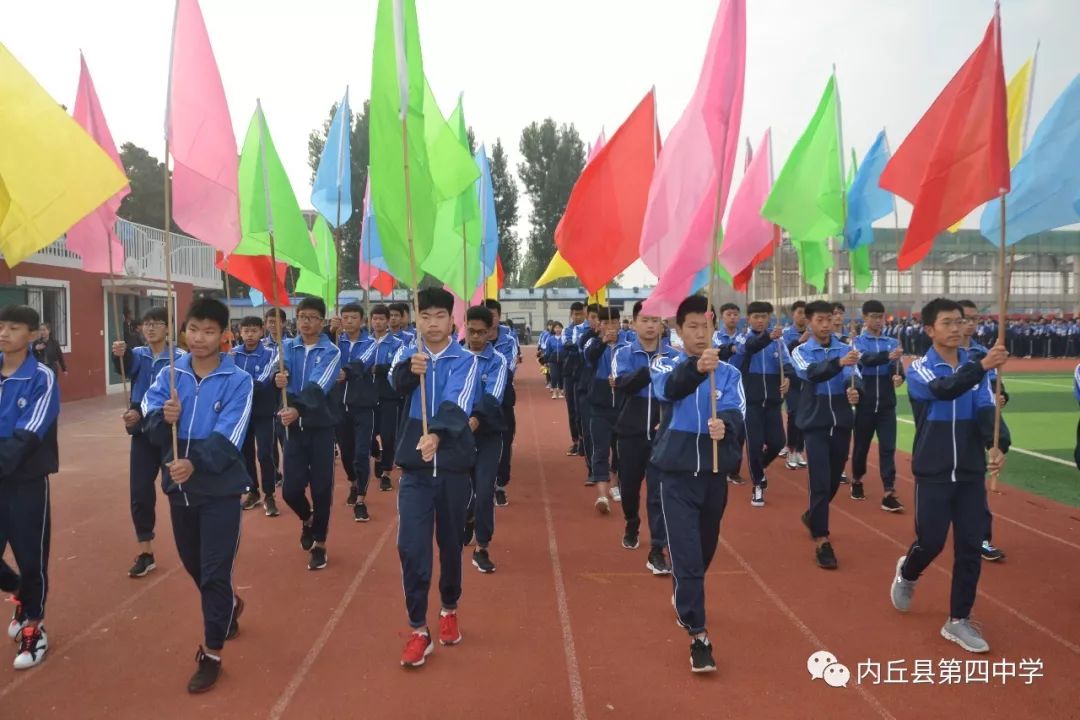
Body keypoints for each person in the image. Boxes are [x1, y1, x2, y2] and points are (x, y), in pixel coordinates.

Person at [140, 298, 252, 692]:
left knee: (215, 572)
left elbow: (230, 435)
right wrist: (162, 418)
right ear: (183, 331)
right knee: (196, 568)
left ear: (223, 335)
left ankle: (212, 652)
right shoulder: (169, 374)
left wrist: (195, 462)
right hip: (179, 489)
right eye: (193, 329)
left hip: (220, 490)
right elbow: (150, 423)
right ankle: (229, 605)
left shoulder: (238, 379)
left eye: (209, 331)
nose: (200, 338)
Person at [890, 298, 1010, 655]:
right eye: (948, 323)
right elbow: (944, 390)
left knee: (970, 546)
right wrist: (981, 366)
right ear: (930, 329)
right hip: (934, 469)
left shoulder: (977, 368)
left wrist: (998, 444)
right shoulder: (920, 369)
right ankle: (908, 572)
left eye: (960, 321)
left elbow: (987, 408)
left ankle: (959, 619)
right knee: (931, 542)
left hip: (970, 471)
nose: (957, 328)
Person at [650, 295, 745, 673]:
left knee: (703, 550)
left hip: (714, 476)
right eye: (692, 327)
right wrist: (696, 368)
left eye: (706, 326)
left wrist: (727, 427)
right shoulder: (665, 362)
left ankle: (685, 586)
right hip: (676, 475)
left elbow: (737, 412)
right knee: (687, 555)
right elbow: (668, 389)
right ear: (679, 330)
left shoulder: (730, 373)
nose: (700, 333)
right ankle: (698, 635)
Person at [391, 288, 480, 668]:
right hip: (415, 472)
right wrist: (409, 373)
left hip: (453, 470)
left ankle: (449, 607)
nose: (432, 323)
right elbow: (392, 386)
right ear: (417, 319)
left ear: (452, 319)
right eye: (424, 316)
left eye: (439, 315)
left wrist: (437, 435)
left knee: (450, 545)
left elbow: (457, 403)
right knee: (411, 548)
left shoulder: (466, 360)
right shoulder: (408, 354)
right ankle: (418, 630)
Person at [0, 305, 60, 670]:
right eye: (1, 326)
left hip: (26, 481)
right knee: (19, 572)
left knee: (30, 556)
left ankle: (34, 627)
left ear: (33, 334)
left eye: (14, 327)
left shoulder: (42, 377)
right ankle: (17, 588)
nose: (4, 332)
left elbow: (30, 432)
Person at [111, 306, 186, 578]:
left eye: (157, 323)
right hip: (143, 434)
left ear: (169, 327)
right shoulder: (138, 354)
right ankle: (145, 551)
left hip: (170, 433)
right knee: (140, 493)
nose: (151, 328)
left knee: (178, 490)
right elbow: (124, 367)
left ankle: (192, 543)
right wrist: (117, 354)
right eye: (147, 323)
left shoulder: (181, 358)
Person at [790, 300, 861, 570]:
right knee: (820, 481)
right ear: (809, 322)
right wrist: (838, 363)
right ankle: (822, 539)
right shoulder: (801, 351)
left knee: (833, 480)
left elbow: (854, 376)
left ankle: (813, 515)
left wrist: (856, 391)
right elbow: (810, 374)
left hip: (841, 421)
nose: (825, 325)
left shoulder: (846, 348)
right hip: (815, 422)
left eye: (829, 319)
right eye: (819, 320)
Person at [273, 298, 342, 571]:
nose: (306, 322)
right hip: (294, 429)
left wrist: (297, 409)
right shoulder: (287, 346)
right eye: (302, 316)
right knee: (290, 489)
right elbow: (280, 371)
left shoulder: (331, 351)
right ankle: (308, 517)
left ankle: (320, 544)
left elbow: (317, 386)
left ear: (322, 322)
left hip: (321, 428)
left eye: (312, 317)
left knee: (321, 487)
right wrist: (278, 378)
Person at [612, 301, 677, 573]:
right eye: (645, 320)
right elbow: (622, 383)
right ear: (634, 322)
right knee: (629, 487)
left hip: (663, 433)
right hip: (630, 431)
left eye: (655, 320)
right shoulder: (623, 353)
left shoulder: (674, 355)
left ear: (662, 324)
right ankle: (631, 522)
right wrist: (651, 369)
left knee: (658, 490)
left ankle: (657, 548)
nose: (650, 325)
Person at [956, 300, 1010, 562]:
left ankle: (982, 537)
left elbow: (995, 384)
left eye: (974, 319)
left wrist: (1002, 396)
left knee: (976, 483)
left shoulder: (984, 352)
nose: (970, 324)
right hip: (949, 425)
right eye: (964, 319)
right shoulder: (946, 353)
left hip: (978, 424)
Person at [461, 305, 509, 573]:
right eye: (472, 331)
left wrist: (476, 418)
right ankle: (467, 516)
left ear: (490, 332)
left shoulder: (498, 361)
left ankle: (482, 546)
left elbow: (494, 395)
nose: (476, 337)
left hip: (488, 434)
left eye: (481, 332)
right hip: (458, 434)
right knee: (461, 489)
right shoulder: (455, 357)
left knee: (484, 488)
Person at [730, 301, 791, 507]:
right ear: (748, 319)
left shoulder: (778, 342)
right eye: (755, 317)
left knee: (778, 443)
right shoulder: (742, 338)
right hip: (751, 402)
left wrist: (787, 378)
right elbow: (748, 348)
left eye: (764, 316)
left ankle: (759, 466)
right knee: (754, 445)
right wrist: (767, 337)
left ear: (769, 318)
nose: (760, 320)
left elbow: (787, 364)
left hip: (773, 402)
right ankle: (757, 484)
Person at [851, 300, 905, 511]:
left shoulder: (892, 342)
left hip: (886, 404)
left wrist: (898, 377)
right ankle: (857, 479)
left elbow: (897, 367)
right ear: (864, 318)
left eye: (880, 316)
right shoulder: (857, 342)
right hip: (865, 403)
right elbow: (865, 360)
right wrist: (887, 356)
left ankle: (889, 491)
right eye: (872, 316)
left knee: (888, 447)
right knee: (861, 447)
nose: (877, 320)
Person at [334, 303, 378, 523]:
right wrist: (329, 332)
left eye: (353, 317)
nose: (349, 321)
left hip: (363, 407)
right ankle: (353, 482)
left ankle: (360, 498)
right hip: (339, 407)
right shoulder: (335, 342)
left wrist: (345, 371)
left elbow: (362, 363)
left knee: (361, 453)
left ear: (362, 320)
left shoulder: (370, 342)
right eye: (345, 317)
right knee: (346, 452)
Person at [233, 316, 281, 517]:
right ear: (240, 332)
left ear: (262, 331)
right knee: (245, 455)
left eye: (254, 330)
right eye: (246, 331)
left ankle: (269, 494)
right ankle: (253, 491)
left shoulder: (272, 353)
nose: (250, 335)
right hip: (241, 414)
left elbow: (264, 380)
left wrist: (240, 386)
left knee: (265, 454)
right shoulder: (233, 354)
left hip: (264, 412)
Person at [583, 307, 624, 514]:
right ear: (598, 325)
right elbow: (589, 357)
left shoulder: (628, 344)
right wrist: (603, 342)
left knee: (620, 450)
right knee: (600, 449)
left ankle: (615, 484)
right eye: (605, 323)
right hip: (599, 406)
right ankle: (601, 494)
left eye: (614, 322)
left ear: (619, 323)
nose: (610, 326)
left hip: (623, 406)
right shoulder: (592, 342)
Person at [485, 299, 519, 508]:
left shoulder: (509, 339)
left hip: (503, 400)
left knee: (504, 443)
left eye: (493, 315)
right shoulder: (470, 338)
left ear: (499, 316)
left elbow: (508, 368)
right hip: (477, 400)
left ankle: (499, 485)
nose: (490, 320)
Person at [369, 305, 404, 492]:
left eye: (381, 319)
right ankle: (377, 454)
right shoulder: (366, 342)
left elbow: (397, 366)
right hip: (367, 397)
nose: (378, 322)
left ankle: (386, 473)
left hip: (389, 396)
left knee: (388, 436)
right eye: (375, 318)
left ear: (388, 321)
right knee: (368, 436)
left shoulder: (397, 344)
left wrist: (380, 369)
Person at [712, 303, 744, 484]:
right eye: (729, 314)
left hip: (739, 385)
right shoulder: (714, 337)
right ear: (722, 317)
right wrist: (730, 348)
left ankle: (733, 469)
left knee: (737, 429)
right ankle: (717, 465)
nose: (732, 317)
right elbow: (718, 354)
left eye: (735, 314)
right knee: (717, 426)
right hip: (718, 385)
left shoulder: (744, 337)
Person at [782, 301, 809, 470]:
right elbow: (785, 354)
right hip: (792, 380)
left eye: (806, 313)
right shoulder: (786, 334)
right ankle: (791, 450)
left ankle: (800, 450)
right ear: (793, 314)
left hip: (807, 380)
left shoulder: (813, 334)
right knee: (794, 414)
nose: (803, 316)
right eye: (800, 312)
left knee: (805, 416)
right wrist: (800, 341)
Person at [561, 303, 588, 455]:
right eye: (575, 314)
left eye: (581, 314)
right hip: (570, 373)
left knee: (582, 409)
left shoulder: (589, 329)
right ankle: (576, 441)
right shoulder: (567, 330)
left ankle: (585, 440)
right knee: (572, 408)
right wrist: (579, 346)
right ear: (571, 314)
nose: (578, 317)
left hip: (584, 373)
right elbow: (568, 345)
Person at [545, 321, 565, 400]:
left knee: (561, 376)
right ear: (553, 329)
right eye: (556, 328)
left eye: (559, 327)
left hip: (562, 360)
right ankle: (554, 391)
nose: (558, 329)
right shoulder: (550, 339)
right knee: (554, 376)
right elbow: (548, 350)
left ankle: (560, 391)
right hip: (552, 360)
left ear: (562, 329)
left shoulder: (564, 338)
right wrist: (546, 360)